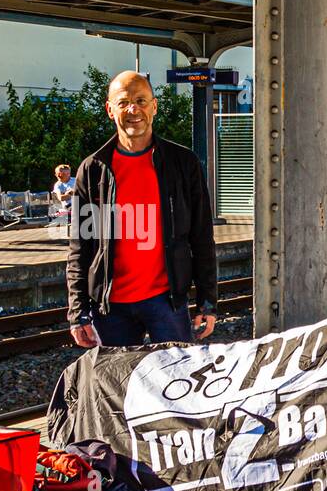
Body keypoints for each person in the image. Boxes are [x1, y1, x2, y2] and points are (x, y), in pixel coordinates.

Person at [67, 70, 218, 348]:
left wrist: (207, 303)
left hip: (167, 301)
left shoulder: (182, 164)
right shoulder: (93, 169)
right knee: (116, 388)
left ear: (154, 107)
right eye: (123, 102)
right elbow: (80, 246)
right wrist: (78, 312)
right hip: (111, 308)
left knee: (177, 383)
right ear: (109, 110)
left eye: (141, 100)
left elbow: (202, 237)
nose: (133, 109)